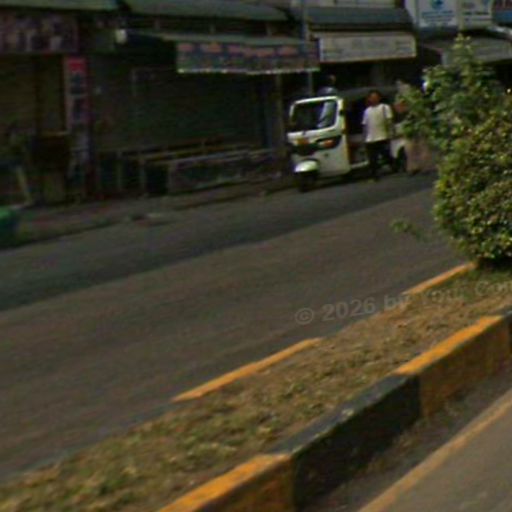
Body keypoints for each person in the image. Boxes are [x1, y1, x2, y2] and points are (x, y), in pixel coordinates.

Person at [362, 90, 395, 180]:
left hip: (382, 136)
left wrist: (391, 132)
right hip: (370, 138)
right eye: (372, 98)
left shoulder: (384, 107)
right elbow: (365, 125)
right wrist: (364, 138)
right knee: (372, 158)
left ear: (379, 98)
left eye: (375, 97)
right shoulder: (367, 111)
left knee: (386, 155)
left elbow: (389, 121)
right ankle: (374, 175)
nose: (374, 99)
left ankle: (394, 166)